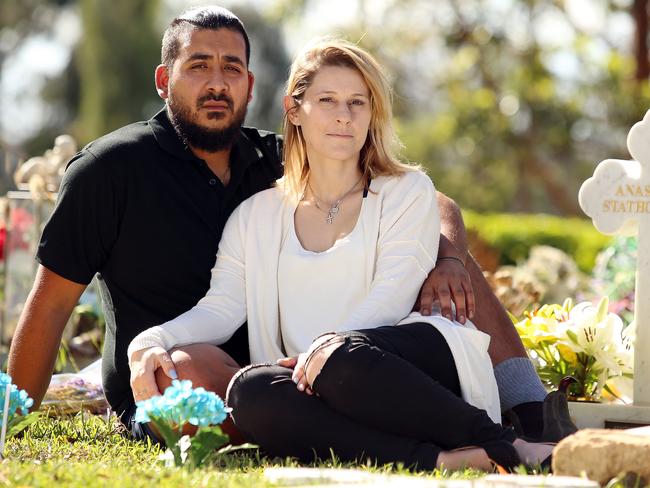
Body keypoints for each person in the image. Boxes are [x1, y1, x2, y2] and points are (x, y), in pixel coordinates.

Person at [7, 6, 572, 445]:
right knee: (192, 372)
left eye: (231, 68)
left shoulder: (280, 161)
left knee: (452, 263)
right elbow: (52, 303)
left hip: (321, 361)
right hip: (195, 369)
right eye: (198, 65)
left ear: (251, 88)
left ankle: (531, 409)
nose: (216, 82)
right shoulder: (111, 169)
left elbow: (428, 199)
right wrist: (16, 423)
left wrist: (448, 257)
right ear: (164, 79)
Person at [128, 38, 557, 471]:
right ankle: (439, 460)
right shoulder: (253, 217)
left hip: (405, 366)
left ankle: (507, 444)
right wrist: (152, 340)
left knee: (340, 359)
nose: (343, 115)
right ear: (294, 110)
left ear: (373, 115)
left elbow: (393, 293)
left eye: (358, 102)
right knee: (249, 390)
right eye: (327, 99)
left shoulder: (407, 191)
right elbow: (221, 307)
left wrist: (326, 349)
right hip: (310, 381)